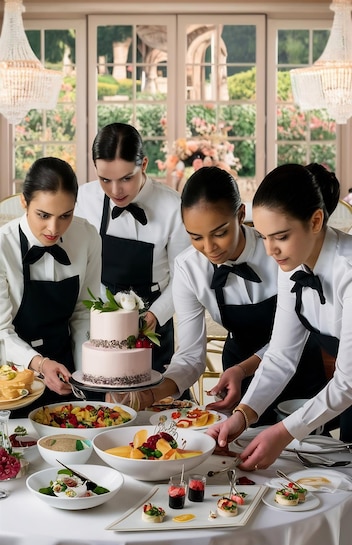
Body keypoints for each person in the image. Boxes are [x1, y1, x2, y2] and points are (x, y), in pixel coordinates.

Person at [124, 166, 326, 416]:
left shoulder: (280, 252)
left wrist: (244, 369)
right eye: (195, 237)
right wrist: (152, 394)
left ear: (241, 214)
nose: (210, 248)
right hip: (237, 382)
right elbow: (190, 355)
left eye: (220, 233)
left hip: (300, 371)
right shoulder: (189, 268)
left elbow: (289, 342)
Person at [208, 162, 352, 470]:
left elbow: (347, 382)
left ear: (315, 221)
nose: (271, 250)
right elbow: (281, 355)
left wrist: (283, 433)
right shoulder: (292, 264)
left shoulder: (349, 271)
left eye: (281, 236)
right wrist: (243, 415)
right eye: (263, 237)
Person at [75, 122, 190, 374]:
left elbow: (182, 278)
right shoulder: (84, 199)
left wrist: (154, 317)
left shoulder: (173, 207)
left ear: (144, 165)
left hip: (154, 320)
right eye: (105, 179)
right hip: (101, 316)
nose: (115, 190)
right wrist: (107, 313)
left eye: (127, 178)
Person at [0, 157, 102, 416]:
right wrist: (40, 364)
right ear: (24, 202)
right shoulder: (3, 247)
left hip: (68, 372)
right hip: (15, 380)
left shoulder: (87, 236)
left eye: (65, 215)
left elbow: (83, 313)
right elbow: (2, 332)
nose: (54, 228)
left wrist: (88, 377)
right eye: (43, 215)